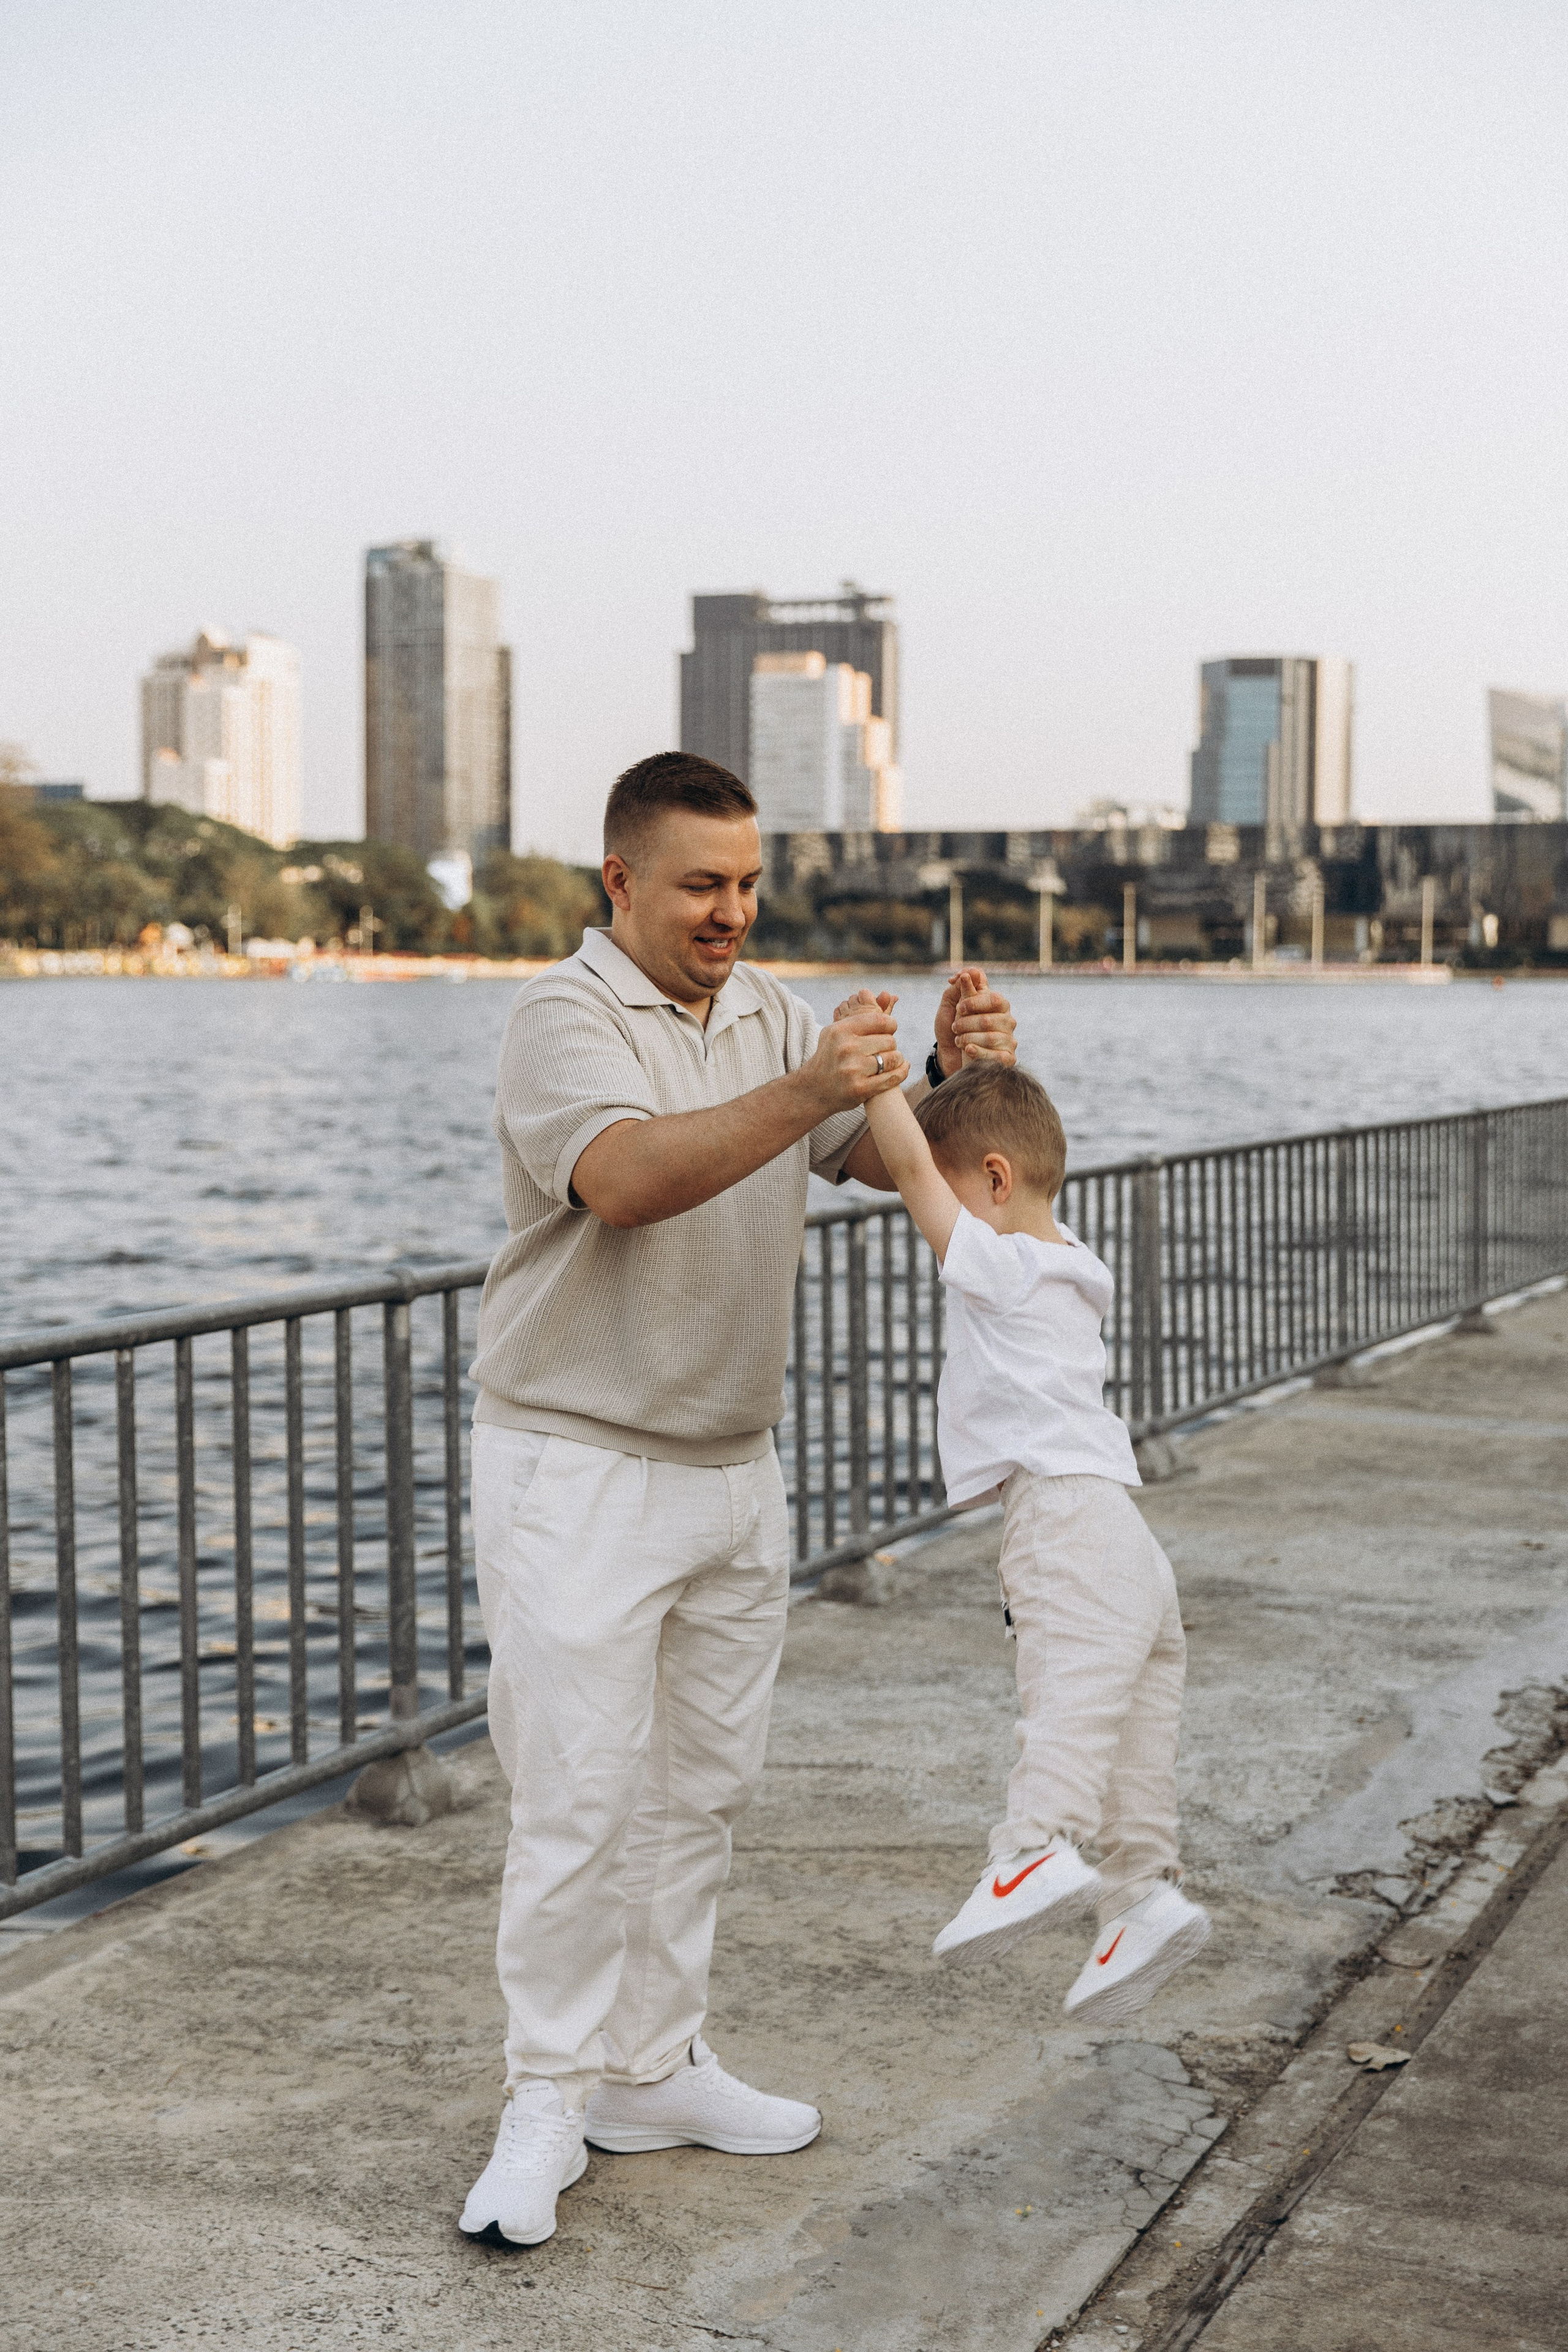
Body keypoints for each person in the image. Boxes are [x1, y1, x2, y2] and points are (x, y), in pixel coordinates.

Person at [459, 753, 1018, 2247]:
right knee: (574, 1806)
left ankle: (651, 2067)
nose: (732, 911)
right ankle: (544, 2095)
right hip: (575, 1466)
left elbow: (912, 1164)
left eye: (749, 883)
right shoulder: (559, 1016)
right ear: (619, 883)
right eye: (701, 885)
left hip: (728, 1470)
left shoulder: (768, 1009)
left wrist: (962, 1077)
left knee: (698, 1796)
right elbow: (627, 1180)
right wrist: (809, 1085)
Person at [859, 1027, 1210, 2023]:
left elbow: (924, 1185)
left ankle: (1031, 1850)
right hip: (1128, 1535)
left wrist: (884, 1080)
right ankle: (1140, 1894)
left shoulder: (1003, 1264)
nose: (940, 1208)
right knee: (1138, 1720)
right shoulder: (1072, 1264)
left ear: (999, 1180)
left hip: (1060, 1514)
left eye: (962, 1185)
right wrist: (965, 1072)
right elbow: (948, 1170)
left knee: (1063, 1697)